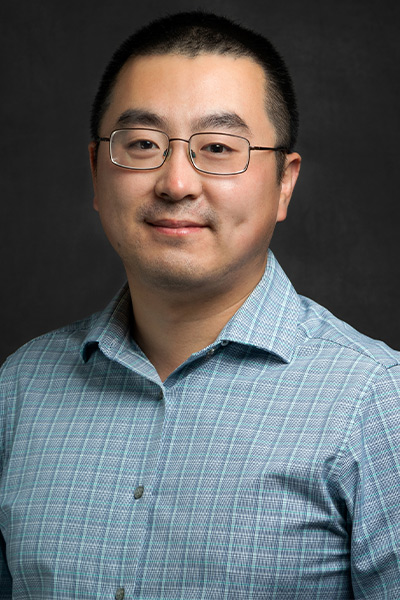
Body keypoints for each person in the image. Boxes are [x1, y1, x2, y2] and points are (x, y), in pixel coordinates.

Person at [1, 11, 400, 599]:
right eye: (141, 144)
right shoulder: (19, 389)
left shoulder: (374, 403)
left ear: (284, 183)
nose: (177, 183)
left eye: (217, 147)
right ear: (95, 171)